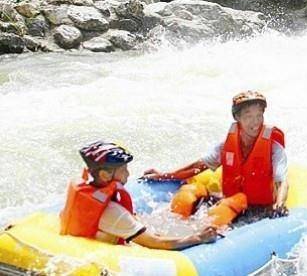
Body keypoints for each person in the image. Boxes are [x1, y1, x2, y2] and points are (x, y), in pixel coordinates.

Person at [143, 91, 289, 226]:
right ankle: (171, 227)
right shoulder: (225, 146)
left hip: (257, 210)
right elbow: (197, 167)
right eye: (249, 116)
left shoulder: (274, 149)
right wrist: (164, 175)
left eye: (259, 116)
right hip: (231, 201)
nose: (255, 122)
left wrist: (280, 204)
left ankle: (203, 232)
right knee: (188, 194)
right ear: (237, 118)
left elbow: (282, 182)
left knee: (230, 204)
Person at [60, 141, 217, 249]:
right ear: (105, 175)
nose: (128, 174)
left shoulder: (83, 186)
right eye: (123, 169)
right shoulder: (113, 213)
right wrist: (199, 237)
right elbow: (155, 242)